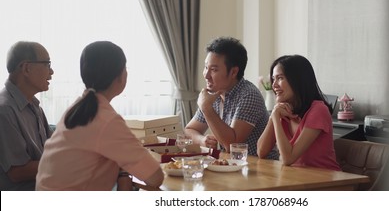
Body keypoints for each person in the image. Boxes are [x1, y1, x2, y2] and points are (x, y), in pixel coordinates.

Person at [36, 41, 164, 190]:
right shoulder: (106, 120)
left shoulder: (77, 109)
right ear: (120, 76)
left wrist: (123, 173)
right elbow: (156, 178)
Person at [184, 37, 279, 159]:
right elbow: (189, 130)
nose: (206, 75)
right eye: (206, 67)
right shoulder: (213, 95)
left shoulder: (249, 94)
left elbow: (232, 145)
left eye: (213, 69)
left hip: (261, 168)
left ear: (234, 72)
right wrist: (202, 140)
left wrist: (206, 108)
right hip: (233, 166)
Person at [257, 55, 340, 170]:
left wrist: (276, 118)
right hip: (296, 179)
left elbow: (288, 159)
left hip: (326, 183)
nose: (274, 85)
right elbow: (261, 152)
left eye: (280, 78)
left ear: (298, 80)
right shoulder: (283, 110)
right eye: (273, 79)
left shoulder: (318, 110)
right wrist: (274, 116)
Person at [0, 41, 54, 191]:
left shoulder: (35, 106)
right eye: (47, 64)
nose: (52, 72)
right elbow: (17, 172)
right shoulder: (4, 111)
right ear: (26, 68)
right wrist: (65, 160)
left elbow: (51, 149)